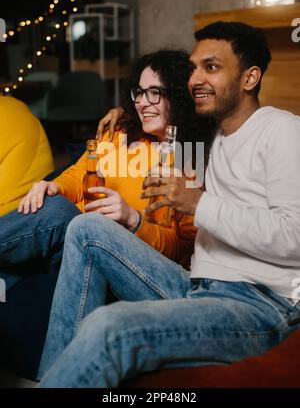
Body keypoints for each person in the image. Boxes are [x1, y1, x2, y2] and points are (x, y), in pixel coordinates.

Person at [38, 21, 300, 388]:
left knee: (109, 326)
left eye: (211, 67)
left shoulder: (282, 130)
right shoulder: (206, 137)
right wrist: (126, 113)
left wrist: (198, 203)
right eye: (193, 68)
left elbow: (295, 237)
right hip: (194, 285)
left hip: (258, 304)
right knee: (85, 228)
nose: (195, 78)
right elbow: (158, 105)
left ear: (249, 78)